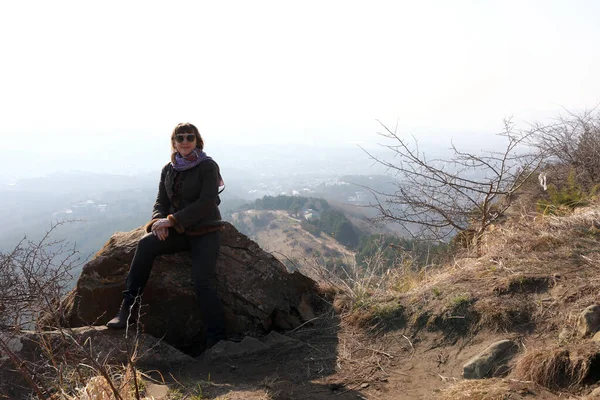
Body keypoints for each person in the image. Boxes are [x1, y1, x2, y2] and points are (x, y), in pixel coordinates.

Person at [106, 122, 226, 348]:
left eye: (190, 137)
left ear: (197, 141)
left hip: (205, 231)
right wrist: (157, 223)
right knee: (145, 246)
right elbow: (161, 201)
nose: (185, 141)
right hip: (179, 231)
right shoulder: (169, 169)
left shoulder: (208, 166)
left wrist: (170, 221)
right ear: (174, 142)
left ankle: (217, 340)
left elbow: (207, 202)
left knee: (203, 282)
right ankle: (127, 311)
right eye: (180, 138)